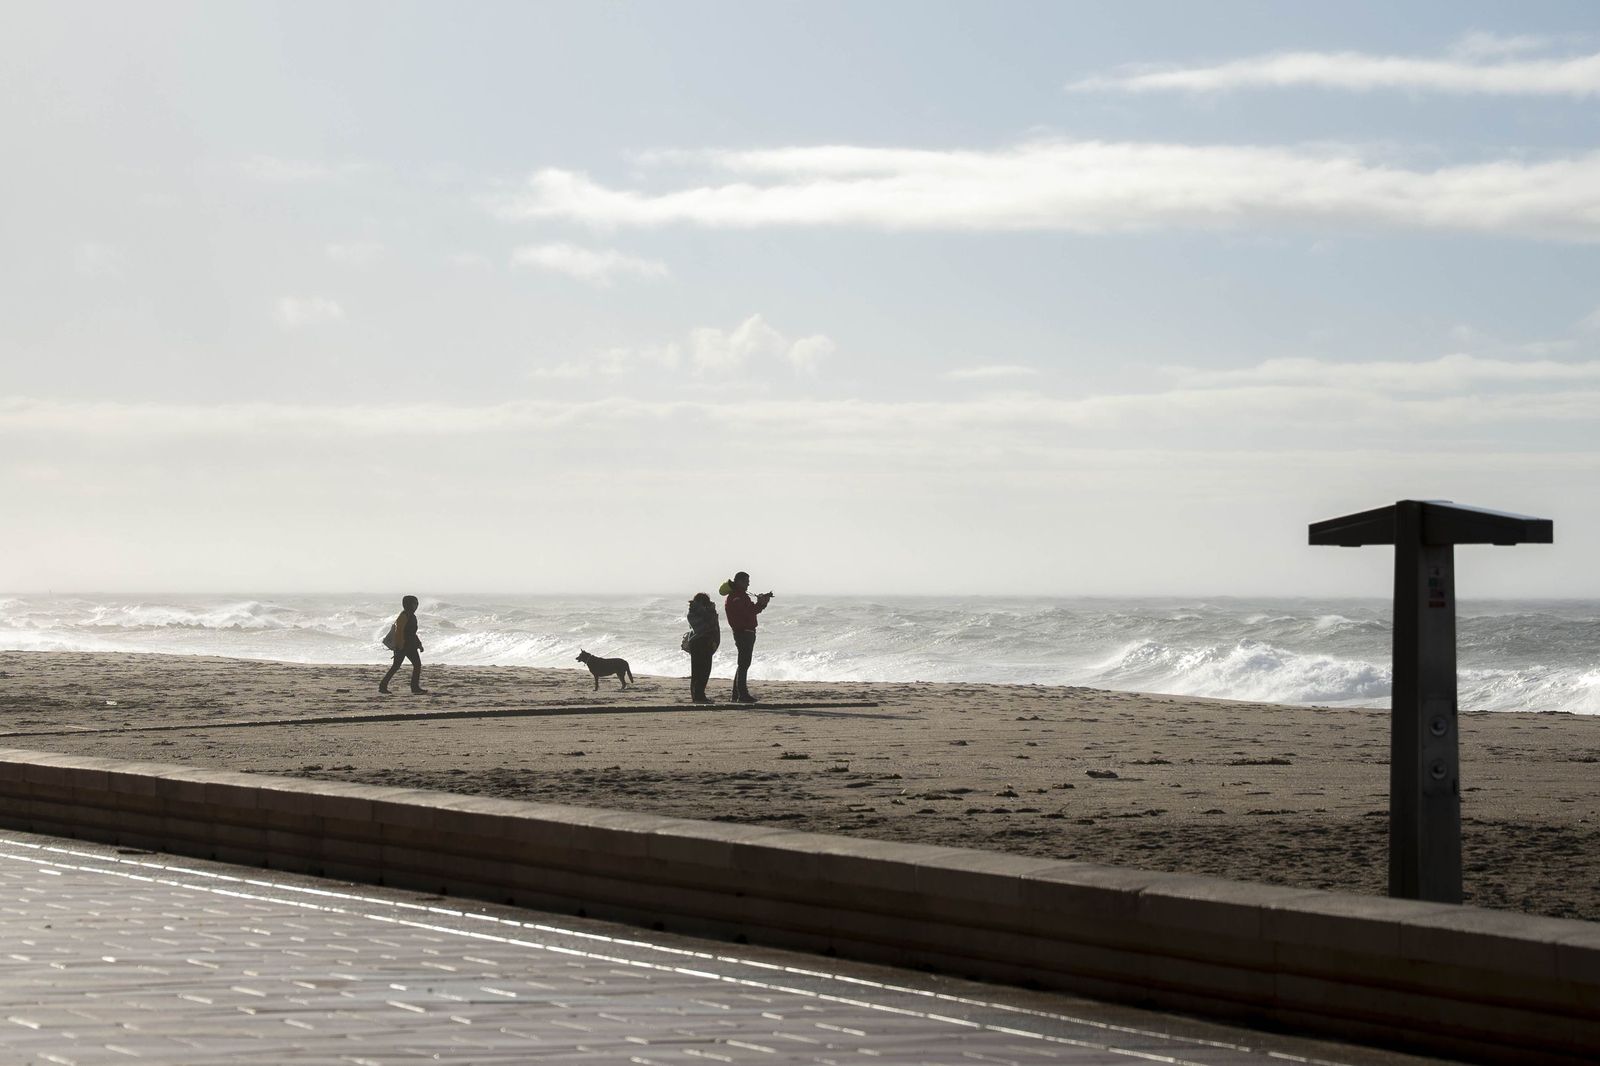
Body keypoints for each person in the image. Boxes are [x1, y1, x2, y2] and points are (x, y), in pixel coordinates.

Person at [721, 571, 772, 704]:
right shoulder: (737, 597)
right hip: (743, 632)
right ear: (739, 582)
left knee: (743, 663)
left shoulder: (740, 596)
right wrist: (761, 604)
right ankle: (742, 695)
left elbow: (750, 611)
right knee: (744, 663)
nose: (748, 583)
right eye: (746, 581)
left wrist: (761, 604)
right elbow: (748, 612)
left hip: (745, 631)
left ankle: (736, 694)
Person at [380, 595, 427, 694]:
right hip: (402, 646)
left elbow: (412, 633)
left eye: (417, 603)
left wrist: (419, 644)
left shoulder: (412, 616)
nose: (417, 605)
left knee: (417, 665)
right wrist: (399, 646)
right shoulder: (404, 616)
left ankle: (415, 687)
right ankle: (382, 686)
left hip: (411, 646)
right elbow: (399, 632)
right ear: (408, 604)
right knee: (396, 666)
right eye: (415, 603)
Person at [685, 592, 721, 704]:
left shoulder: (693, 612)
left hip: (699, 643)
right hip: (701, 643)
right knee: (703, 671)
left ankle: (697, 696)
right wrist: (711, 611)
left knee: (697, 671)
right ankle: (699, 696)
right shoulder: (696, 613)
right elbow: (706, 626)